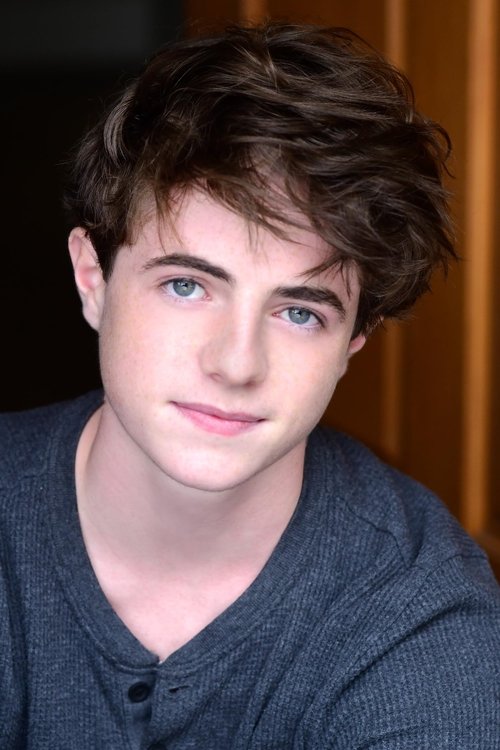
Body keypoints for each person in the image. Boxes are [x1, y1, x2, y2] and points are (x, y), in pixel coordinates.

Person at [1, 22, 499, 750]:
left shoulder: (419, 610)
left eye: (299, 312)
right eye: (186, 285)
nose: (237, 364)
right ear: (93, 279)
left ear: (354, 338)